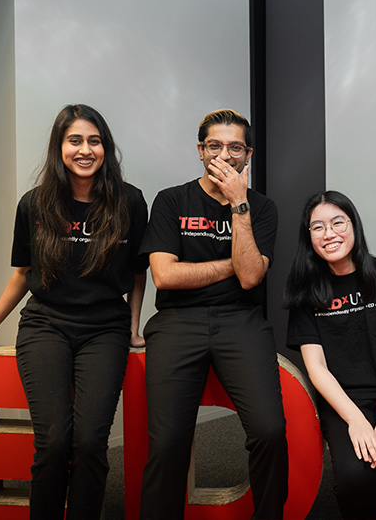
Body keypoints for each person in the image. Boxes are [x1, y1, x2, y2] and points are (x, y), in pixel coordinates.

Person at [0, 104, 149, 520]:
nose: (85, 150)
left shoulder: (130, 201)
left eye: (94, 141)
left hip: (106, 329)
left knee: (89, 443)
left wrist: (134, 327)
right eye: (75, 140)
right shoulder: (35, 204)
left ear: (106, 147)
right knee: (53, 442)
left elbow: (139, 272)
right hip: (46, 325)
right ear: (59, 147)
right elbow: (22, 275)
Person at [138, 108, 288, 520]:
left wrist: (239, 204)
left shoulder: (262, 208)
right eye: (215, 146)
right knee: (168, 441)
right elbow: (165, 275)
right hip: (177, 322)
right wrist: (232, 265)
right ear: (200, 150)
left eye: (235, 147)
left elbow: (251, 278)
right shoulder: (171, 200)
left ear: (248, 154)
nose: (224, 155)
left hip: (241, 321)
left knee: (270, 431)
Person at [284, 190, 376, 520]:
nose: (329, 233)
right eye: (318, 227)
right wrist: (356, 420)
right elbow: (316, 368)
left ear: (354, 226)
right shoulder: (306, 291)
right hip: (343, 400)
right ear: (309, 237)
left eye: (338, 222)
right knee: (355, 478)